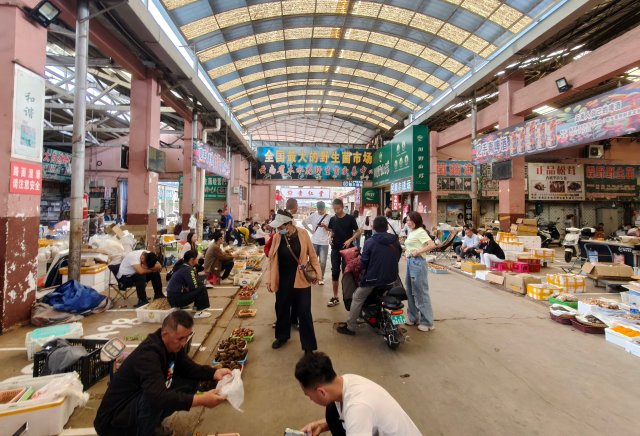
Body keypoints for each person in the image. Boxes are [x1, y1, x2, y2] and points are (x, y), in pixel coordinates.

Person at [93, 311, 231, 436]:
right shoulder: (148, 355)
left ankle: (151, 424)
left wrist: (214, 373)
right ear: (165, 335)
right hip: (112, 423)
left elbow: (188, 367)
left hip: (134, 403)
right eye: (180, 338)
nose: (183, 343)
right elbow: (157, 396)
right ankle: (141, 431)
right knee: (154, 398)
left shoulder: (172, 345)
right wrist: (201, 400)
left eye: (187, 337)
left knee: (189, 382)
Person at [296, 352, 422, 436]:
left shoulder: (358, 407)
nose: (310, 399)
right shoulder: (345, 380)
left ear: (321, 392)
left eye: (309, 395)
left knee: (332, 411)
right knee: (332, 412)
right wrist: (321, 425)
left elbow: (358, 414)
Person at [336, 216, 402, 335]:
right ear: (387, 227)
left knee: (357, 297)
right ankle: (398, 327)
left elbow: (364, 263)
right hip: (392, 278)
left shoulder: (370, 242)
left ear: (373, 227)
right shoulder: (395, 240)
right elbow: (397, 257)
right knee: (396, 302)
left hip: (373, 279)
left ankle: (350, 327)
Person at [267, 211, 321, 353]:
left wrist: (317, 273)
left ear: (289, 224)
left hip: (301, 278)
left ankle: (308, 347)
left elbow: (312, 255)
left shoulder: (303, 234)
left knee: (304, 311)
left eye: (280, 227)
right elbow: (271, 260)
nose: (278, 229)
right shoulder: (277, 237)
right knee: (282, 308)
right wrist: (269, 279)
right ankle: (282, 336)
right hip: (283, 279)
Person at [404, 211, 437, 332]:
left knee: (421, 292)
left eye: (411, 220)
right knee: (410, 291)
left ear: (416, 220)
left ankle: (427, 322)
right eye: (407, 220)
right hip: (410, 262)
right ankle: (413, 318)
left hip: (417, 263)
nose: (409, 222)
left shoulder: (420, 231)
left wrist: (418, 252)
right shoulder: (412, 231)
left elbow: (432, 245)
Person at [327, 199, 361, 307]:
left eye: (338, 208)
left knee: (348, 273)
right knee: (335, 272)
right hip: (335, 249)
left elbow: (358, 231)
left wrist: (350, 240)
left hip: (348, 250)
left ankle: (349, 297)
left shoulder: (350, 218)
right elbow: (332, 231)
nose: (336, 211)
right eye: (334, 209)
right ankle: (335, 297)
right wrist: (330, 237)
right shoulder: (333, 219)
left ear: (342, 207)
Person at [166, 250, 211, 319]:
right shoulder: (188, 269)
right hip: (176, 300)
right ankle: (199, 312)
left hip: (172, 299)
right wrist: (203, 281)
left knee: (199, 286)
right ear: (192, 259)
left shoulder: (182, 266)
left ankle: (196, 307)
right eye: (197, 258)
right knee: (202, 288)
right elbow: (194, 286)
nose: (198, 259)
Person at [303, 201, 331, 286]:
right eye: (319, 209)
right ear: (317, 208)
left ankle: (321, 278)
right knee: (313, 261)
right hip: (314, 241)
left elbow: (331, 229)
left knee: (322, 262)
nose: (320, 211)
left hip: (324, 242)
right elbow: (304, 222)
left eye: (321, 209)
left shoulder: (329, 217)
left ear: (324, 208)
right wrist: (310, 231)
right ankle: (313, 276)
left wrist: (325, 227)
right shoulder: (313, 215)